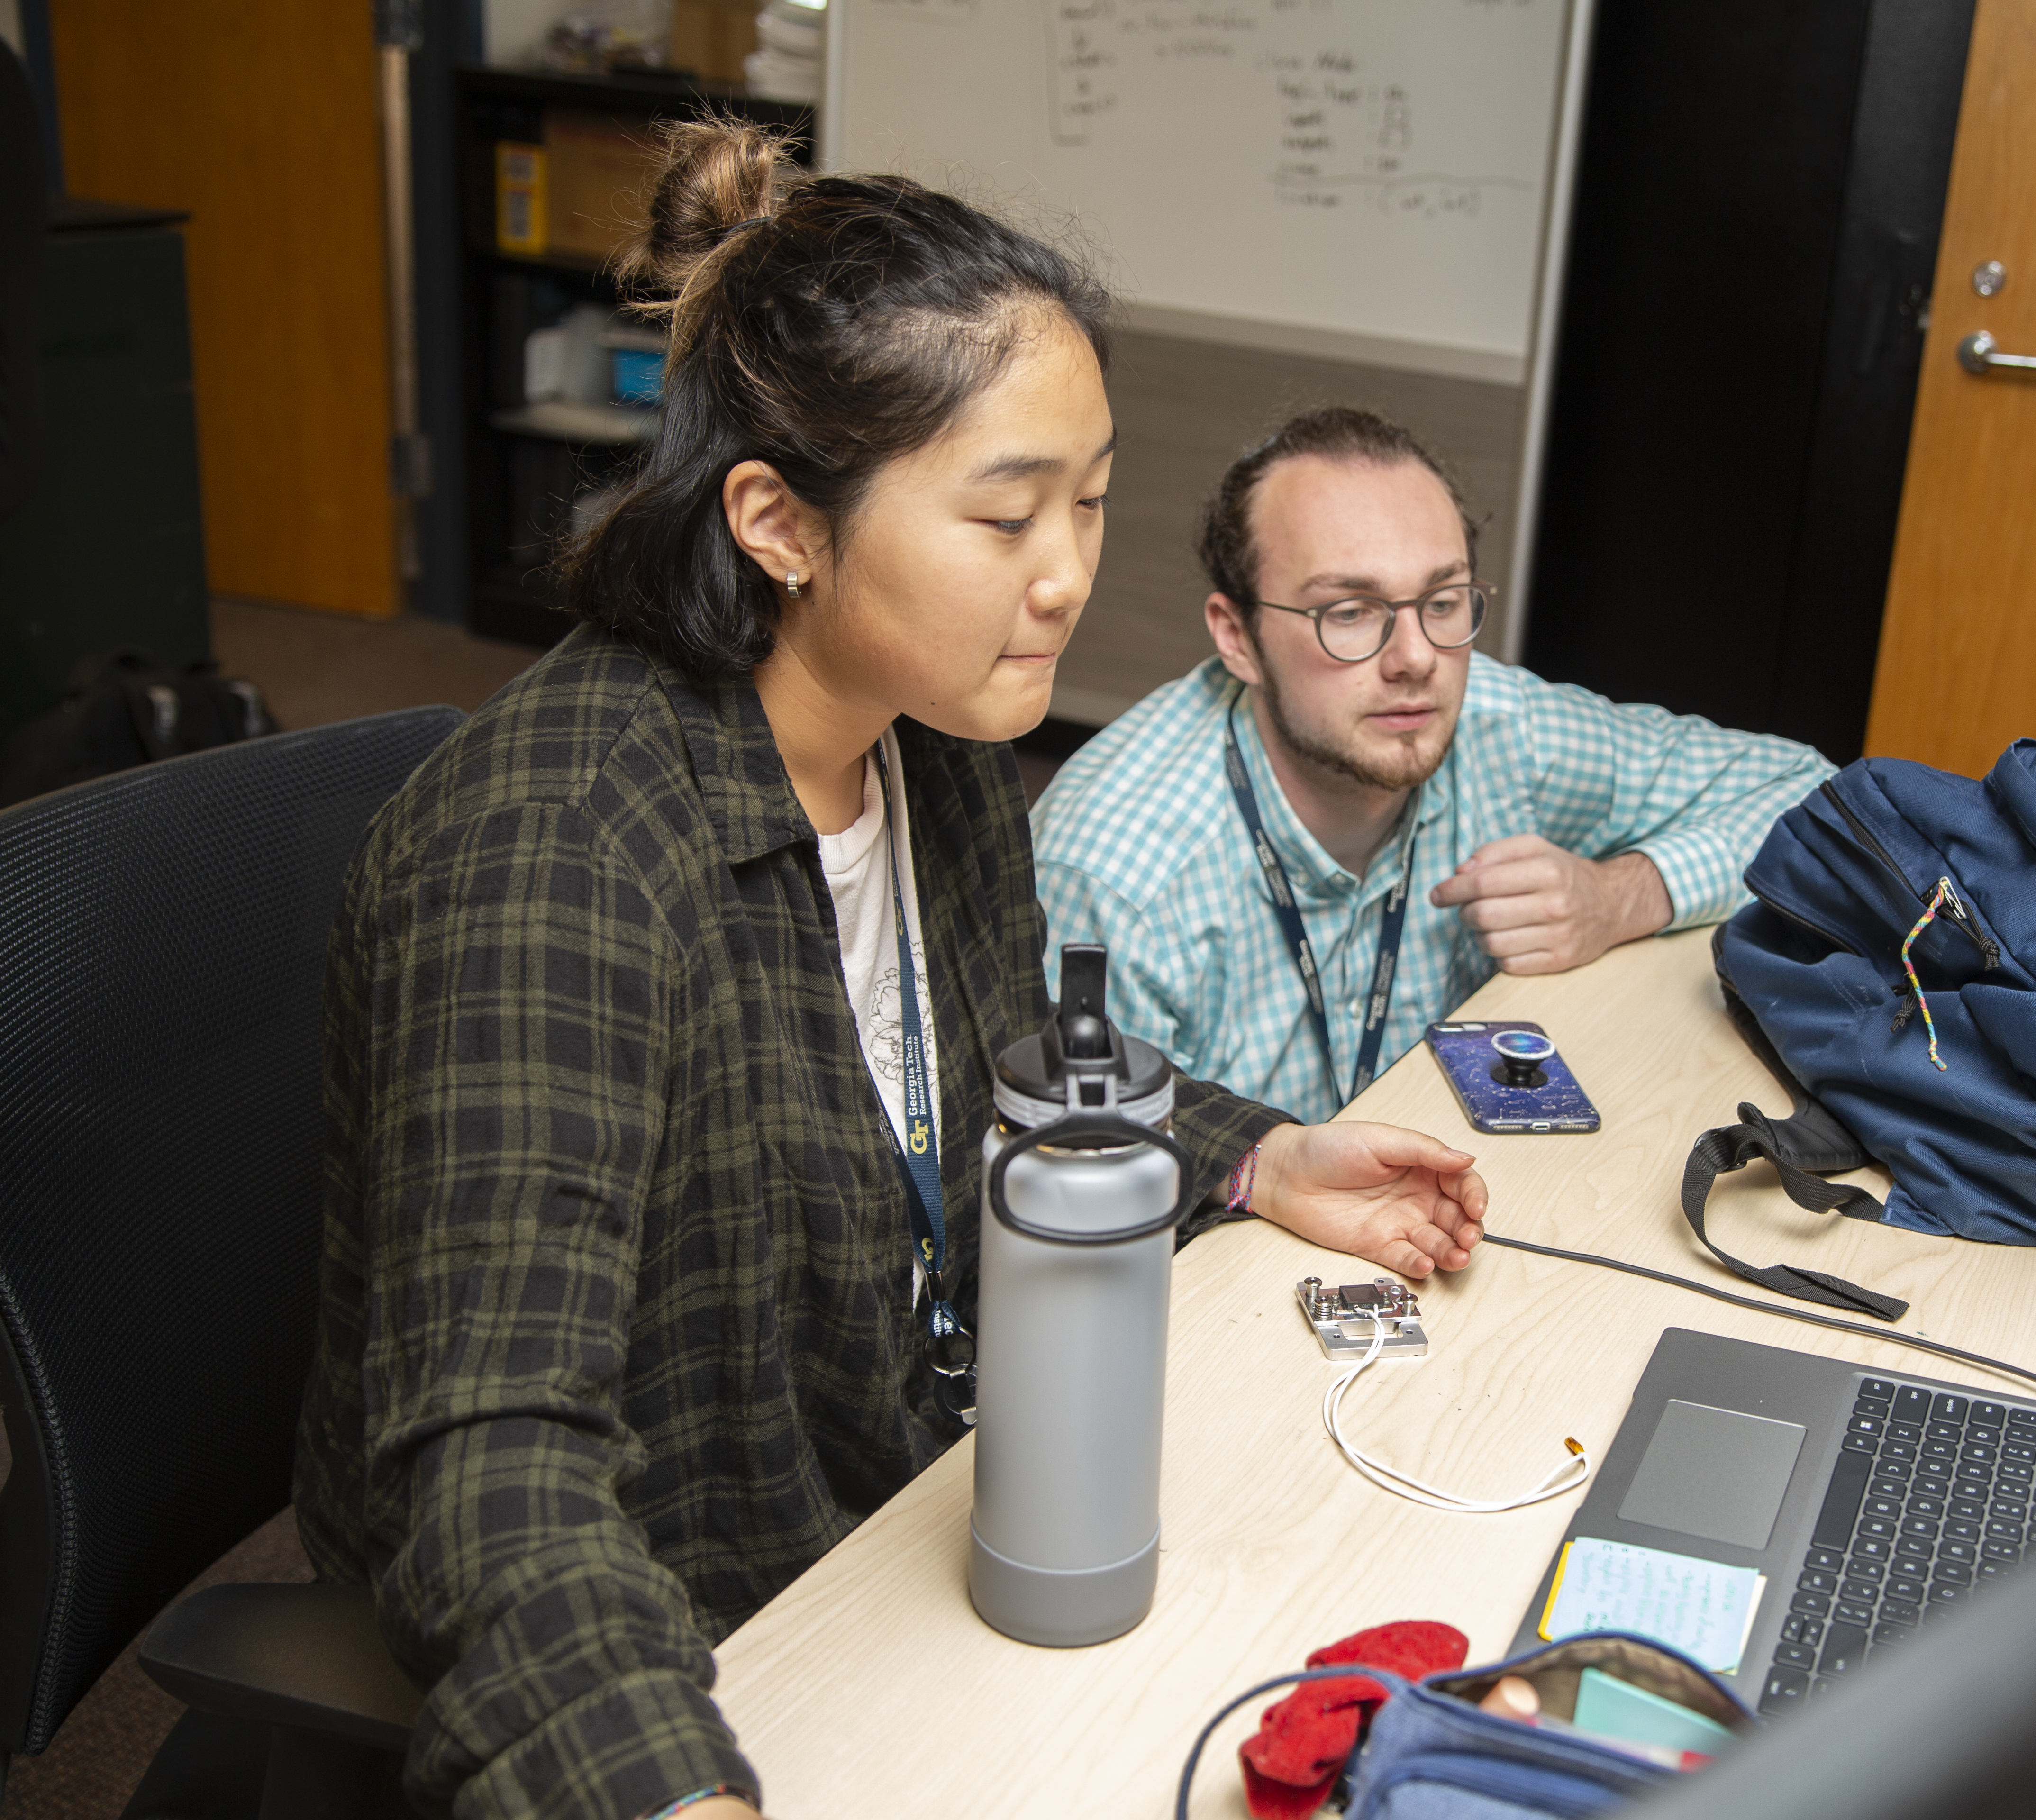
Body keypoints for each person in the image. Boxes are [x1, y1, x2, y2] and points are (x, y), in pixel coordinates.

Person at [293, 130, 1486, 1820]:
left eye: (1088, 498)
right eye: (1006, 514)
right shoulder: (554, 858)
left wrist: (1259, 1155)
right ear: (779, 523)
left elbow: (991, 1065)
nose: (1070, 573)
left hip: (888, 1492)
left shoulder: (930, 746)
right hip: (697, 1618)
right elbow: (491, 1469)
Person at [1030, 407, 1833, 1124]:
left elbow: (1809, 796)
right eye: (1349, 613)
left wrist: (1619, 896)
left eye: (1442, 602)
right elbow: (1084, 1183)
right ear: (1237, 637)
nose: (1416, 660)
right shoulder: (1116, 882)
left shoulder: (1499, 725)